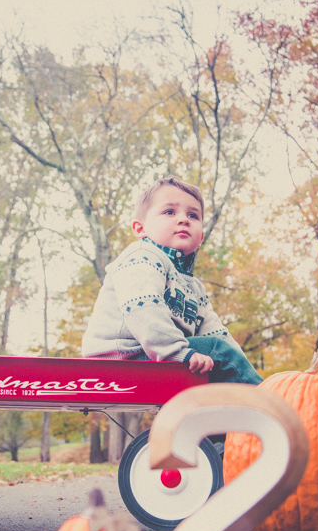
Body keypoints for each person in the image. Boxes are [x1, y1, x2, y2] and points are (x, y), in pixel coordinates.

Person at [82, 177, 262, 450]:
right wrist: (180, 352)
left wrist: (234, 362)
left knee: (216, 358)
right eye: (169, 212)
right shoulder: (141, 257)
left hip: (157, 353)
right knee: (215, 352)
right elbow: (144, 310)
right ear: (140, 229)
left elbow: (217, 333)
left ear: (200, 237)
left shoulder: (192, 286)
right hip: (123, 355)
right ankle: (275, 408)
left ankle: (219, 446)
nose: (183, 219)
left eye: (193, 215)